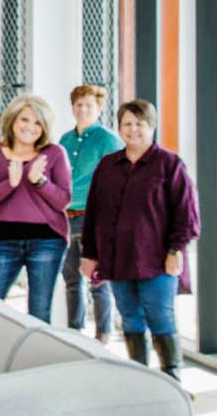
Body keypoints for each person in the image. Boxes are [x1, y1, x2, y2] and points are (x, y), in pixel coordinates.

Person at [79, 98, 199, 376]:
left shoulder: (170, 164)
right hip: (117, 260)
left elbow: (187, 215)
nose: (133, 129)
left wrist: (175, 251)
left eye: (139, 124)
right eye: (127, 124)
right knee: (130, 319)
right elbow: (94, 212)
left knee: (160, 318)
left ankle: (172, 378)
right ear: (119, 127)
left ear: (151, 126)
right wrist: (90, 255)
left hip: (157, 262)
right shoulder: (108, 165)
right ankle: (140, 378)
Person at [0, 94, 73, 321]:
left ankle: (37, 357)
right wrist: (9, 184)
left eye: (38, 122)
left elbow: (63, 200)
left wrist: (39, 181)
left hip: (47, 240)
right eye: (25, 120)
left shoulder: (55, 153)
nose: (30, 127)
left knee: (39, 311)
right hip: (3, 239)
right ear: (12, 120)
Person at [61, 84, 122, 337]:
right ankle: (75, 331)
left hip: (93, 217)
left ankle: (103, 333)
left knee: (98, 277)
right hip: (66, 216)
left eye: (89, 105)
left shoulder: (108, 140)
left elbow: (118, 180)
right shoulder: (65, 139)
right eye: (78, 104)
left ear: (99, 108)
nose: (83, 109)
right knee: (71, 277)